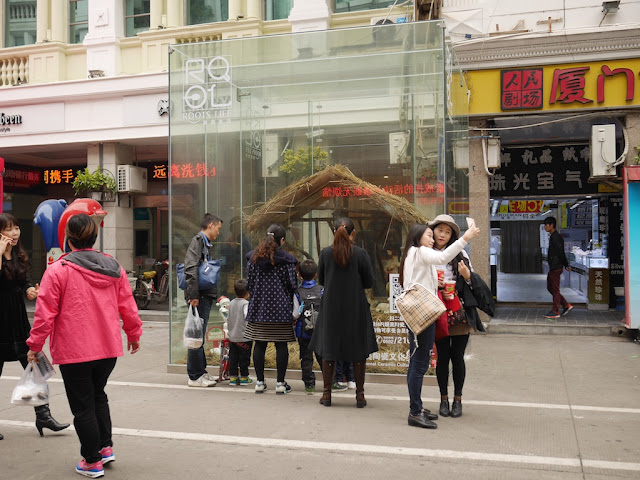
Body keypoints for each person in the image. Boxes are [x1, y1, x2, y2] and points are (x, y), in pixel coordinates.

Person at [26, 213, 142, 478]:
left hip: (74, 350)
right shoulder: (114, 267)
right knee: (97, 394)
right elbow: (128, 306)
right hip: (108, 348)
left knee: (83, 405)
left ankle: (91, 461)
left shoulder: (58, 270)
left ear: (68, 238)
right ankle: (104, 448)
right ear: (94, 237)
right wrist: (133, 335)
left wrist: (35, 345)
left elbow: (45, 315)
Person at [398, 219, 480, 428]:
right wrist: (466, 237)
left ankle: (418, 406)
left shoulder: (413, 254)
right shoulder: (420, 251)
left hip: (422, 311)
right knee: (419, 364)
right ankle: (415, 412)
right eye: (430, 235)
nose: (433, 239)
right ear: (418, 237)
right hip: (423, 312)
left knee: (418, 362)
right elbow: (443, 257)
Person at [0, 213, 70, 441]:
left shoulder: (19, 254)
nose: (14, 233)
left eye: (16, 228)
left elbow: (24, 283)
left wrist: (31, 290)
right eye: (9, 229)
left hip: (19, 320)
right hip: (0, 321)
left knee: (36, 365)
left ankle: (43, 415)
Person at [310, 217, 377, 408]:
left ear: (335, 233)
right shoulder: (360, 253)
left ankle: (327, 394)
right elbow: (369, 282)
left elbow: (321, 279)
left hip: (331, 306)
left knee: (329, 349)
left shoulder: (325, 254)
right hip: (355, 306)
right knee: (358, 350)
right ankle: (360, 395)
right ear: (353, 233)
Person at [431, 214, 487, 419]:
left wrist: (466, 276)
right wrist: (435, 285)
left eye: (447, 232)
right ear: (433, 231)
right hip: (437, 312)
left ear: (452, 235)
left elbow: (473, 284)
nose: (443, 235)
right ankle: (443, 399)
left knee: (458, 357)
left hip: (459, 312)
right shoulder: (426, 253)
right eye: (440, 230)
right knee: (443, 357)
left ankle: (458, 399)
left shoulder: (460, 253)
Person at [245, 224, 298, 394]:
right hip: (281, 311)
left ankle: (260, 382)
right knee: (281, 346)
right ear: (282, 240)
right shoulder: (287, 261)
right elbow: (292, 285)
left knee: (259, 345)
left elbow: (249, 284)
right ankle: (280, 384)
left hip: (259, 309)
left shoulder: (253, 259)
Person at [184, 213, 223, 387]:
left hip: (203, 295)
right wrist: (193, 295)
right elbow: (191, 267)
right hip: (198, 296)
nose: (218, 232)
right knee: (196, 336)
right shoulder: (198, 241)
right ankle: (194, 376)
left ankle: (202, 371)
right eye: (218, 228)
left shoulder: (205, 243)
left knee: (200, 334)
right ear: (211, 225)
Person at [294, 259, 324, 395]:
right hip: (321, 332)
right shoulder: (322, 290)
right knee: (323, 356)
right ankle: (330, 381)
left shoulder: (297, 292)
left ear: (299, 275)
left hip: (303, 332)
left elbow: (295, 314)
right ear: (316, 275)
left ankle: (309, 385)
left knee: (306, 358)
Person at [543, 217, 572, 319]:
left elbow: (561, 252)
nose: (545, 227)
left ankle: (555, 311)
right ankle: (566, 304)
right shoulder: (552, 236)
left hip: (556, 266)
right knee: (550, 287)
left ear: (551, 225)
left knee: (555, 289)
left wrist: (566, 264)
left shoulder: (556, 237)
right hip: (553, 266)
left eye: (546, 225)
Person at [226, 278, 253, 386]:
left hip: (233, 337)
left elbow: (228, 318)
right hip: (244, 337)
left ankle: (233, 377)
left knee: (233, 358)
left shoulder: (231, 303)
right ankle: (244, 377)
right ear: (248, 292)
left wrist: (230, 331)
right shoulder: (246, 304)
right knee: (244, 359)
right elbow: (247, 318)